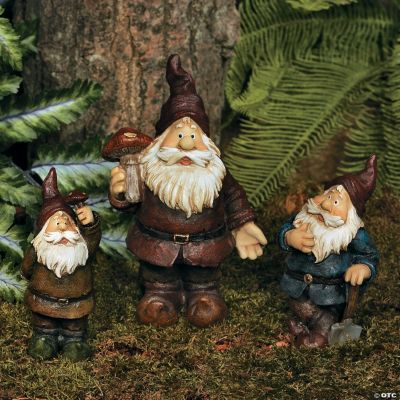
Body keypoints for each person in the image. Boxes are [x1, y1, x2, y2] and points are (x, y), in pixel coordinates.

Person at [108, 54, 267, 328]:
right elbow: (130, 202)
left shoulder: (216, 172)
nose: (186, 145)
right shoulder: (149, 169)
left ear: (206, 141)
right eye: (179, 135)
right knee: (158, 278)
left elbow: (234, 197)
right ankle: (160, 295)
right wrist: (119, 193)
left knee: (204, 282)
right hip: (157, 246)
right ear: (160, 141)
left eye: (193, 136)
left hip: (205, 247)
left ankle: (203, 296)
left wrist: (243, 224)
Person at [278, 155, 379, 347]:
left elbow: (369, 255)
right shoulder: (302, 219)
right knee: (298, 304)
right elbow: (284, 230)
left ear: (351, 215)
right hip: (296, 287)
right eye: (327, 195)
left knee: (322, 328)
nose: (324, 204)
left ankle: (312, 331)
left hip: (331, 297)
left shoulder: (353, 235)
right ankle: (306, 323)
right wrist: (289, 236)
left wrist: (363, 268)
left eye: (335, 202)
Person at [21, 168, 101, 361]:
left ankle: (74, 340)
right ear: (43, 231)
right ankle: (43, 337)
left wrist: (90, 223)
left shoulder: (82, 248)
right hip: (43, 302)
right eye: (57, 223)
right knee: (44, 324)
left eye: (68, 222)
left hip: (77, 304)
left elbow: (92, 237)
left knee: (75, 326)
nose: (63, 227)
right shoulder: (39, 248)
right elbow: (27, 267)